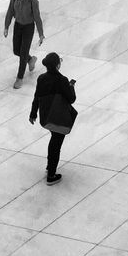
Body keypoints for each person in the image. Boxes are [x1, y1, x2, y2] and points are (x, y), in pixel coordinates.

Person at [29, 52, 76, 184]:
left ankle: (50, 167)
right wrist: (71, 87)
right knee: (56, 144)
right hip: (58, 118)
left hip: (46, 117)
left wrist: (33, 113)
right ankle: (51, 175)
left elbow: (36, 97)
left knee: (54, 140)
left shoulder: (41, 78)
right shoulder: (62, 80)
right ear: (57, 65)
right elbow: (71, 99)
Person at [4, 0, 44, 89]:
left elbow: (37, 18)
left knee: (23, 53)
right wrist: (6, 26)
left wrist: (41, 34)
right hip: (18, 26)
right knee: (16, 50)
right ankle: (31, 59)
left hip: (28, 28)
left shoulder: (33, 1)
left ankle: (19, 78)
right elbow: (10, 11)